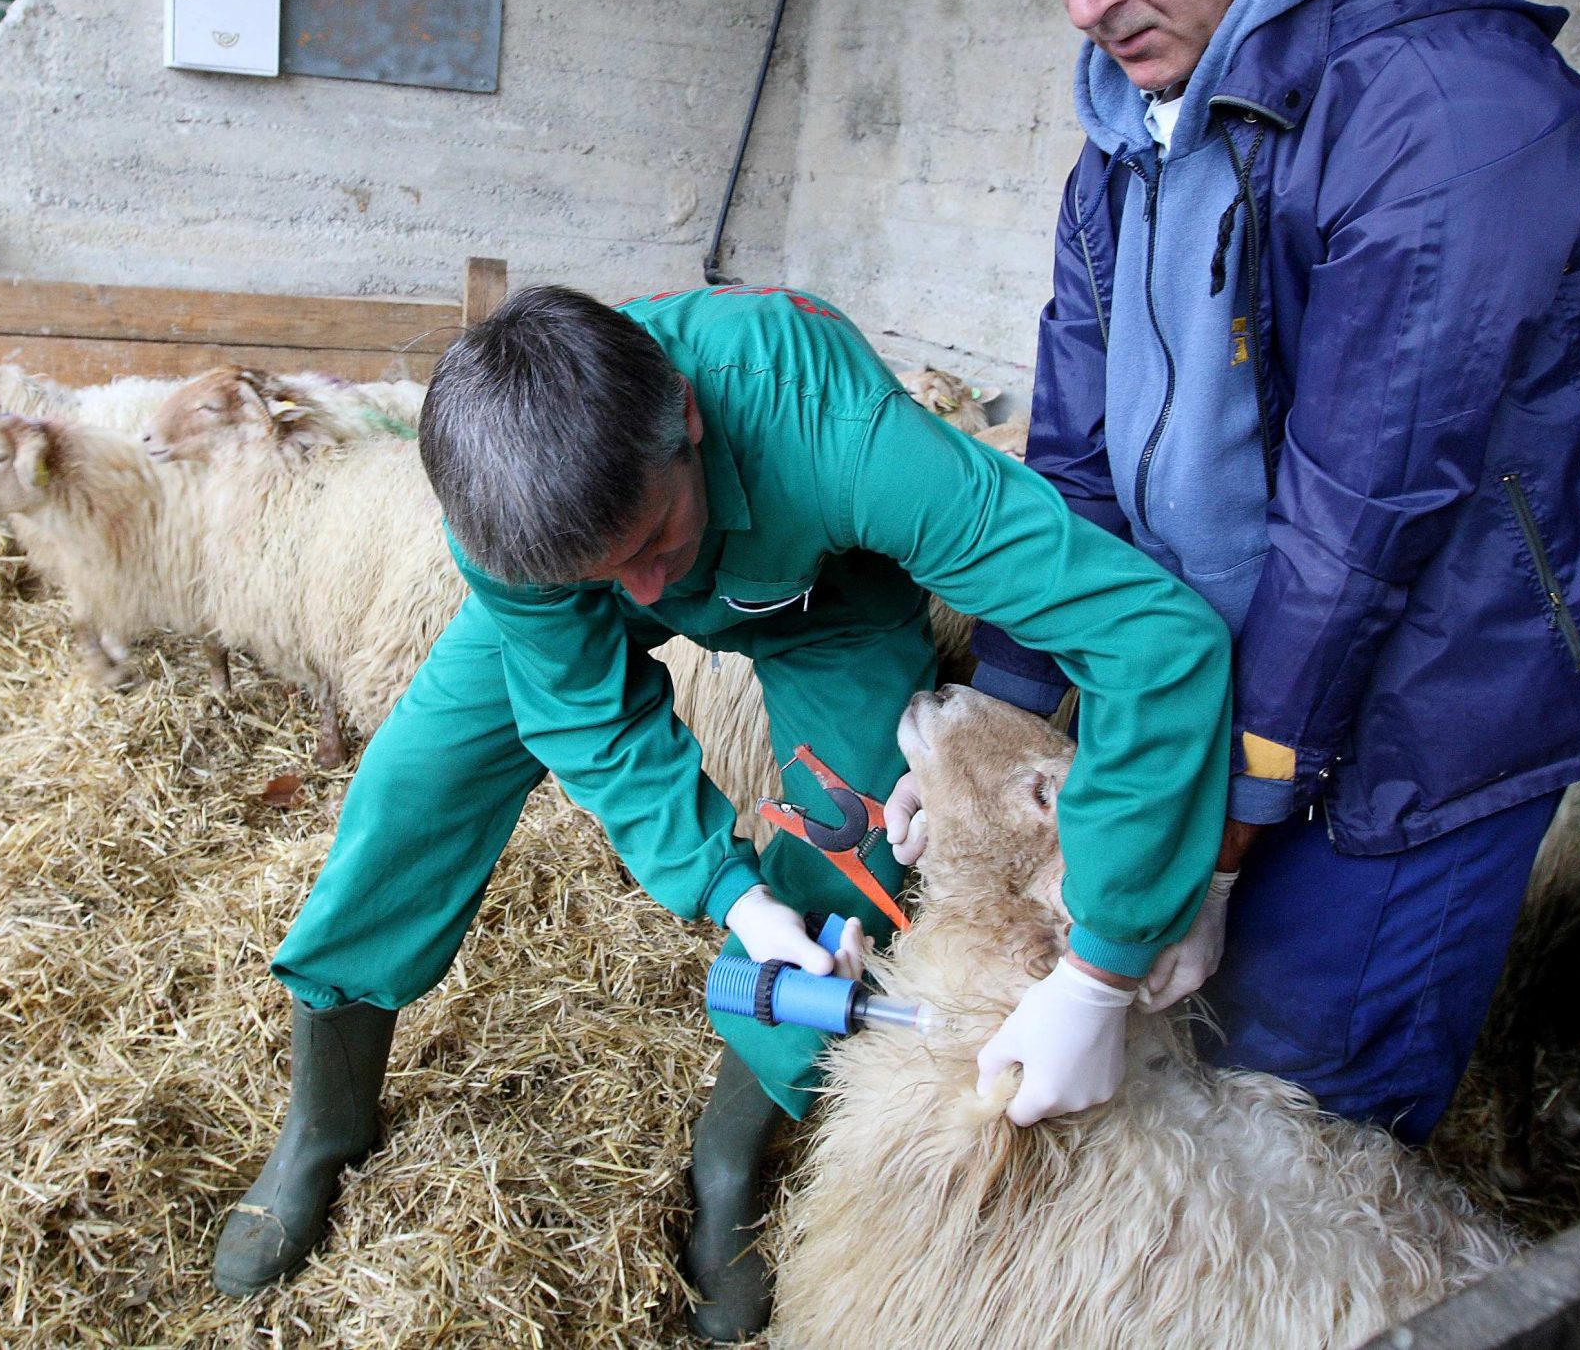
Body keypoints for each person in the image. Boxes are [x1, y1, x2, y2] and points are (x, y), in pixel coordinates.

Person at [210, 281, 1234, 1340]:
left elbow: (1151, 641)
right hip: (572, 590)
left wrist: (1105, 962)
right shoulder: (512, 520)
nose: (652, 594)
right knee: (409, 792)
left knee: (860, 841)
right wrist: (729, 895)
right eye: (618, 567)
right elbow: (588, 712)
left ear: (689, 423)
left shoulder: (840, 434)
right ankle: (321, 1128)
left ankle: (730, 1162)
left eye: (654, 538)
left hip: (818, 606)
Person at [947, 0, 1580, 1144]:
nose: (1083, 2)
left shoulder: (1448, 111)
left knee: (1292, 1114)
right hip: (1233, 674)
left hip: (1427, 717)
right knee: (1178, 1060)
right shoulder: (1131, 128)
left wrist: (1218, 851)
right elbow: (1077, 451)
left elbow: (1362, 525)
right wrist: (1000, 717)